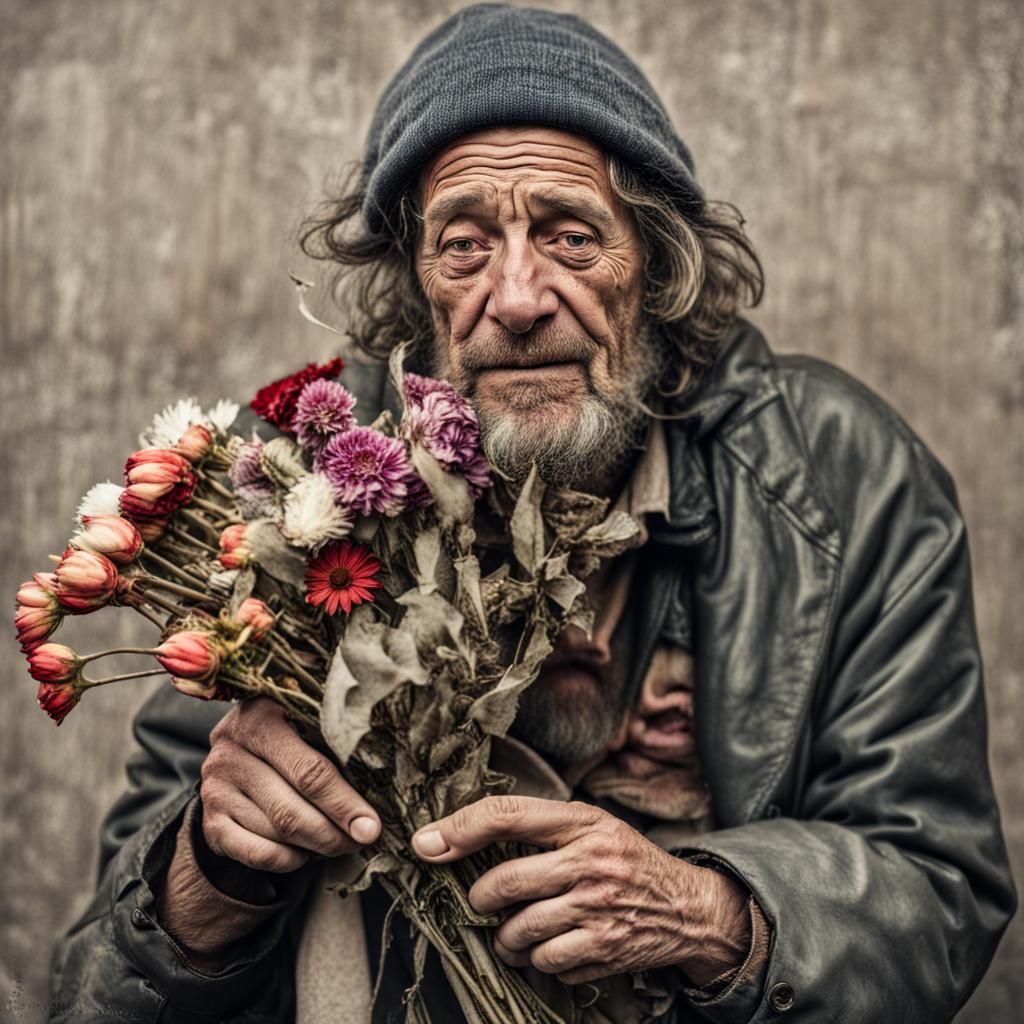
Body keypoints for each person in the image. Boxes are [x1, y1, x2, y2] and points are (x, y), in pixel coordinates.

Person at [49, 5, 1016, 1023]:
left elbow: (938, 892)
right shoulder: (292, 494)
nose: (517, 297)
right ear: (413, 289)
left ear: (655, 262)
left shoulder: (842, 476)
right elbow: (99, 989)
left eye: (569, 234)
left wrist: (705, 908)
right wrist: (213, 868)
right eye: (463, 244)